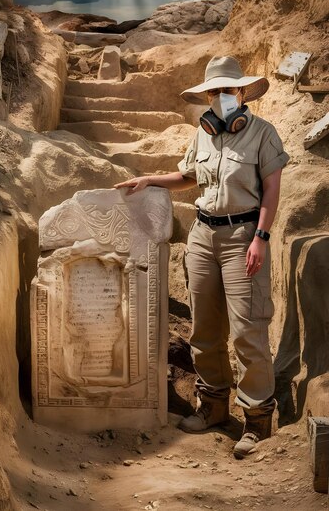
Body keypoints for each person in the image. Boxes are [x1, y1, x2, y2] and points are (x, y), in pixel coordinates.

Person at [114, 55, 290, 459]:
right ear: (207, 96)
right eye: (214, 91)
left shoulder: (264, 133)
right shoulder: (203, 134)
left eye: (228, 90)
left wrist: (260, 237)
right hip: (202, 235)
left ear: (243, 92)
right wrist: (149, 179)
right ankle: (211, 408)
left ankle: (257, 420)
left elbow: (272, 188)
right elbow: (189, 177)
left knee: (248, 329)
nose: (221, 97)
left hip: (243, 235)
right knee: (204, 329)